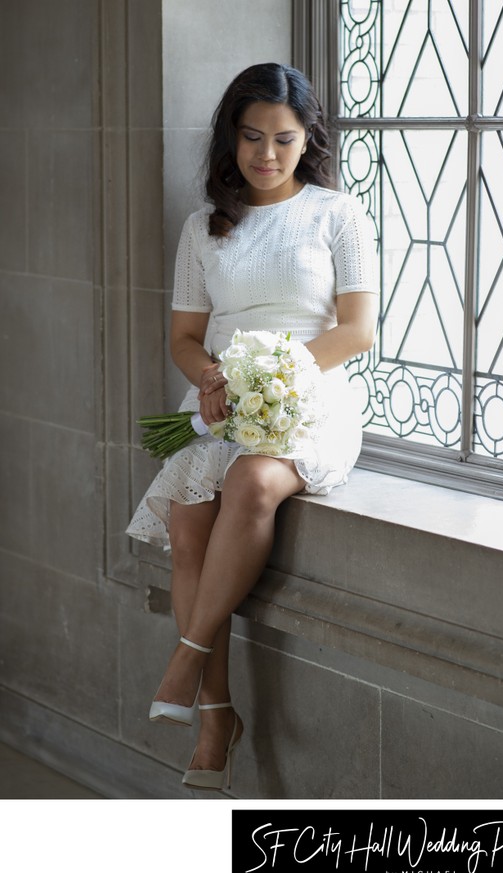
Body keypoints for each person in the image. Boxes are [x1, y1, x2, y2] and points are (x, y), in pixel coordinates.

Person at [126, 62, 378, 791]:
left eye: (283, 138)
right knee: (186, 527)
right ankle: (215, 719)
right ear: (230, 140)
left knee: (251, 481)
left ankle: (184, 658)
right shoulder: (203, 229)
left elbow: (358, 331)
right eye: (251, 137)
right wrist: (211, 377)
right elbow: (183, 337)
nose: (266, 153)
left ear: (308, 141)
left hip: (311, 398)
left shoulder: (339, 213)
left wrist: (271, 377)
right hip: (219, 403)